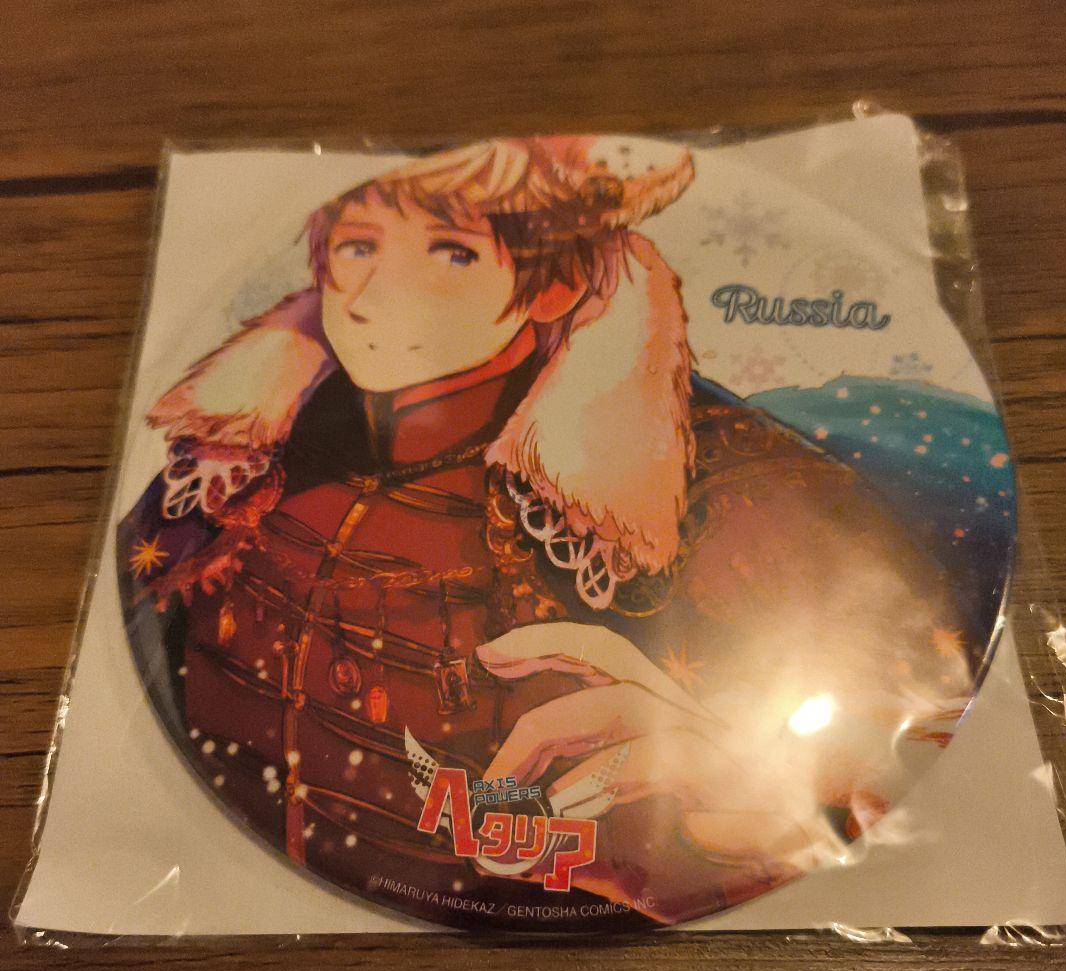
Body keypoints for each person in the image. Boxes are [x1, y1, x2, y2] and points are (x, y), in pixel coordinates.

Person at [118, 136, 994, 929]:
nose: (375, 297)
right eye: (357, 247)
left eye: (452, 252)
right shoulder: (235, 454)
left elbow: (919, 714)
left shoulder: (720, 485)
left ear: (556, 284)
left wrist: (751, 787)